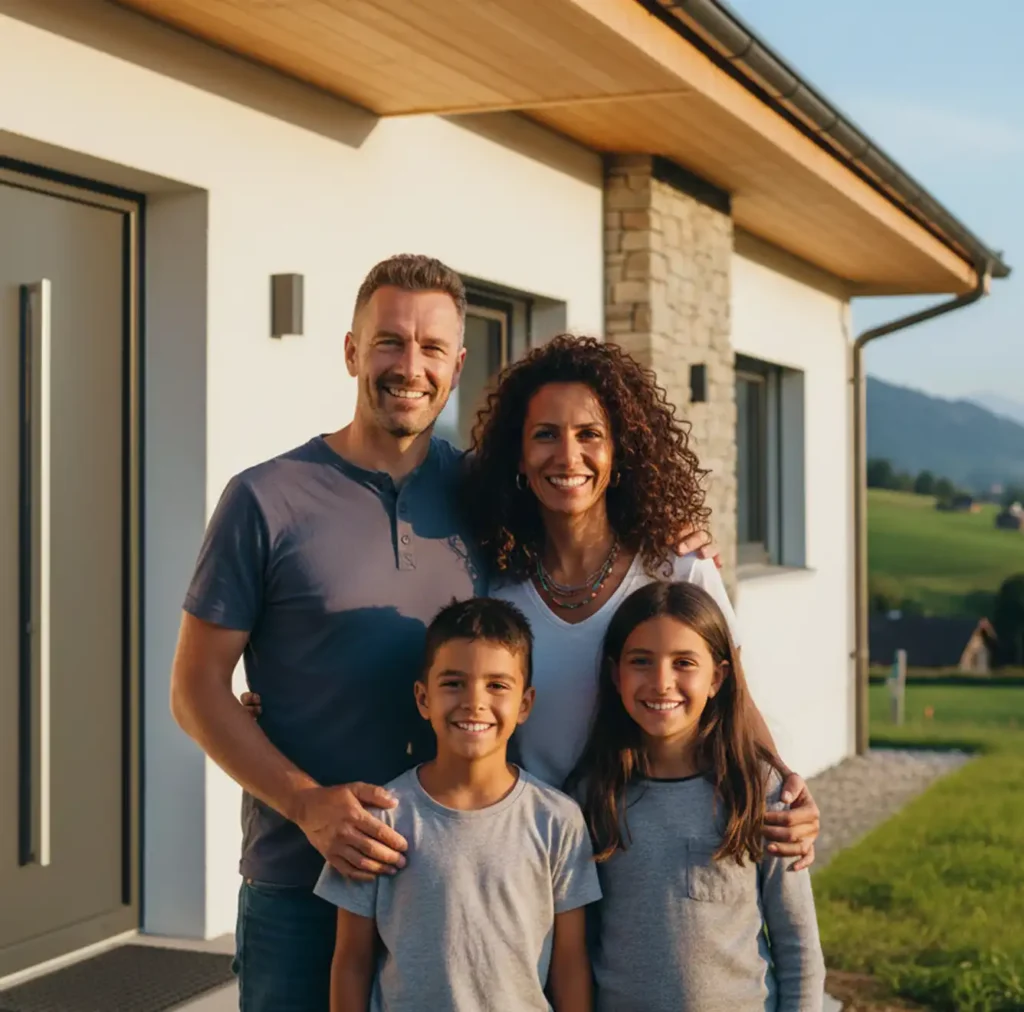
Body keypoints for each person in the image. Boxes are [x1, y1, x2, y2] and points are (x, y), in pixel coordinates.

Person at [171, 254, 714, 1011]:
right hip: (302, 879)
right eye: (389, 341)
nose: (409, 366)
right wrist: (307, 804)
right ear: (352, 350)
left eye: (431, 349)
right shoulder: (265, 499)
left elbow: (581, 506)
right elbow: (196, 692)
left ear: (457, 367)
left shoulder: (485, 497)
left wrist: (678, 545)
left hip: (461, 889)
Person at [463, 336, 819, 866]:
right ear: (518, 454)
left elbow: (734, 702)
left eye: (589, 435)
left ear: (619, 451)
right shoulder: (495, 585)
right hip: (537, 860)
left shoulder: (680, 568)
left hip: (651, 858)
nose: (567, 456)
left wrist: (786, 788)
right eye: (545, 435)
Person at [314, 597, 600, 1012]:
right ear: (423, 697)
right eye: (453, 683)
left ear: (525, 703)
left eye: (497, 685)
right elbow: (352, 962)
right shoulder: (380, 818)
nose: (474, 702)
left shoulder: (557, 820)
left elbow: (570, 963)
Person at [568, 581, 826, 1011]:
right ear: (616, 675)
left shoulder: (758, 791)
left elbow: (797, 944)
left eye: (684, 662)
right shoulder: (591, 795)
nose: (661, 682)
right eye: (641, 662)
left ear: (717, 678)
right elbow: (579, 945)